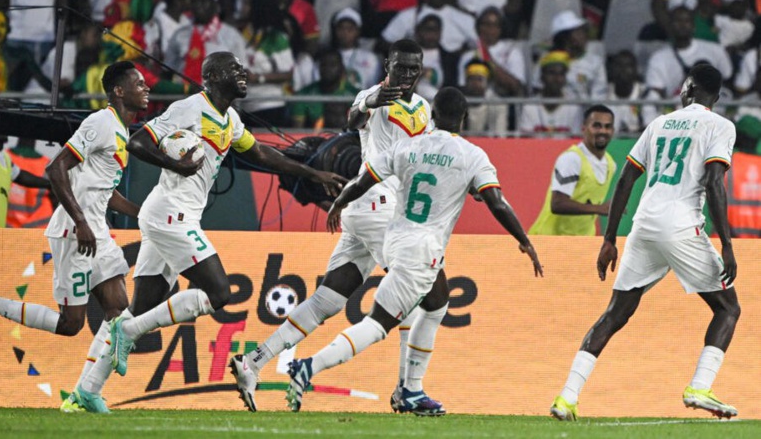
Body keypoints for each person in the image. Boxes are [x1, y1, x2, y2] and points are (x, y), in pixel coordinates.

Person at [286, 87, 543, 414]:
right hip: (422, 248)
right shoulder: (472, 155)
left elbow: (363, 180)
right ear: (464, 118)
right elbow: (497, 203)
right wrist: (523, 239)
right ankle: (309, 367)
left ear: (432, 115)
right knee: (378, 324)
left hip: (394, 238)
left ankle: (411, 390)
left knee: (437, 301)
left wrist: (338, 202)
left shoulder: (407, 146)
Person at [103, 51, 346, 390]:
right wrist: (176, 164)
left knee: (141, 308)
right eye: (234, 68)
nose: (243, 71)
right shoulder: (189, 108)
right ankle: (128, 331)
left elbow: (260, 153)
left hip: (175, 215)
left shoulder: (230, 119)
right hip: (171, 214)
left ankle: (88, 389)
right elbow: (138, 141)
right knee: (218, 293)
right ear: (214, 76)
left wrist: (312, 173)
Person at [231, 39, 448, 416]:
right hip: (378, 207)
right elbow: (352, 119)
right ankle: (407, 389)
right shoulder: (373, 96)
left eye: (414, 68)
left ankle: (253, 361)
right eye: (401, 67)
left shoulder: (423, 108)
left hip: (374, 209)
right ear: (387, 65)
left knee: (327, 300)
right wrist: (369, 101)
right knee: (417, 294)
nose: (407, 74)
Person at [0, 61, 149, 415]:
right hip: (75, 232)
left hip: (96, 229)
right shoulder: (101, 123)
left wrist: (143, 214)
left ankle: (86, 392)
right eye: (139, 83)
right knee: (71, 324)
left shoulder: (120, 131)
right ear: (119, 91)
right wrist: (81, 222)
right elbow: (55, 169)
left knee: (118, 309)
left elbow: (105, 192)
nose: (146, 88)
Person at [550, 63, 741, 421]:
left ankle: (567, 397)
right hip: (681, 227)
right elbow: (715, 182)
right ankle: (700, 386)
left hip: (644, 227)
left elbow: (626, 179)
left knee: (615, 313)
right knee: (728, 308)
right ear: (715, 96)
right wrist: (727, 245)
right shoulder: (720, 126)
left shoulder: (659, 124)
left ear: (689, 88)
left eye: (683, 86)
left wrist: (609, 238)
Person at [529, 105, 616, 236]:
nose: (603, 131)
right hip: (549, 239)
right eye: (596, 126)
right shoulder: (571, 159)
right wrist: (599, 208)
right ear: (584, 128)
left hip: (582, 240)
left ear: (613, 131)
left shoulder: (611, 164)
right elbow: (557, 204)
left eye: (607, 126)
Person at [164, 0, 246, 84]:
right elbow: (167, 71)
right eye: (195, 1)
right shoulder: (179, 35)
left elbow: (242, 73)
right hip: (185, 92)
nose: (198, 6)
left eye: (203, 1)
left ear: (215, 5)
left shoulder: (231, 35)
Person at [289, 48, 358, 130]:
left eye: (332, 65)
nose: (327, 69)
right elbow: (297, 131)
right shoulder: (303, 95)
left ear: (341, 68)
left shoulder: (354, 95)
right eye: (324, 65)